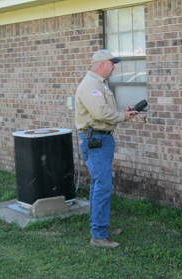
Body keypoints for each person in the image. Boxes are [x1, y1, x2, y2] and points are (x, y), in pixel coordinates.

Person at [75, 49, 139, 248]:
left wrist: (122, 112)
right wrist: (123, 117)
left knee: (98, 185)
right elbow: (101, 113)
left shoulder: (98, 85)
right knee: (102, 186)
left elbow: (103, 111)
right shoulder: (90, 85)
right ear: (103, 64)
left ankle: (98, 226)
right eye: (112, 64)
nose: (114, 68)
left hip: (101, 140)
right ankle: (99, 235)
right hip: (95, 142)